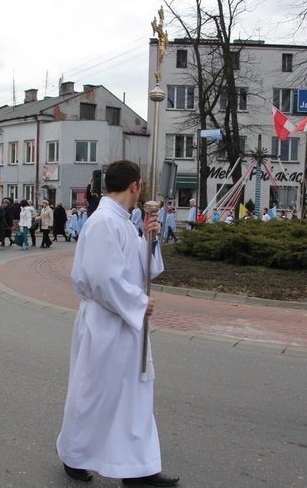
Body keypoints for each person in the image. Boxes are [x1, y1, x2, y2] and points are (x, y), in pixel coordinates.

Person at [56, 159, 178, 487]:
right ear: (134, 186)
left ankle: (137, 469)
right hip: (105, 324)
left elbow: (138, 270)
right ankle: (74, 454)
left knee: (131, 396)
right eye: (141, 187)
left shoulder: (123, 221)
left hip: (122, 322)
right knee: (95, 394)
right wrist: (138, 302)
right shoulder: (102, 222)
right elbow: (101, 277)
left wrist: (149, 240)